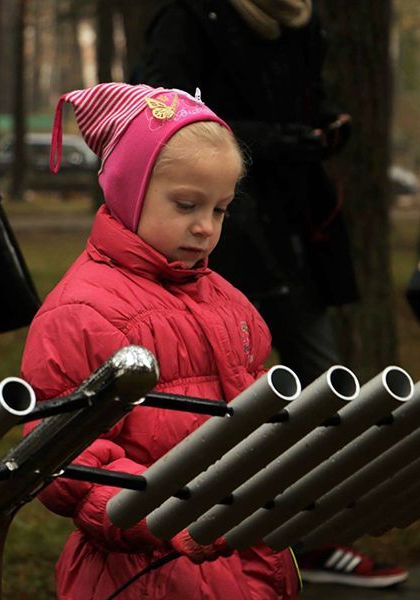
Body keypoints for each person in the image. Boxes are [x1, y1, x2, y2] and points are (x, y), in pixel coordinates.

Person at [135, 0, 408, 589]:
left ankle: (315, 538)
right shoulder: (191, 17)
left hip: (297, 232)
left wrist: (324, 127)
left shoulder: (302, 21)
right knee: (227, 399)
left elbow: (303, 99)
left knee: (328, 387)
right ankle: (216, 541)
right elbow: (167, 121)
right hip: (221, 241)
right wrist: (275, 141)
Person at [21, 82, 300, 599]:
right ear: (128, 189)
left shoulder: (226, 301)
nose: (204, 228)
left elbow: (255, 408)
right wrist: (162, 510)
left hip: (243, 555)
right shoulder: (82, 313)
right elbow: (68, 453)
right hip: (140, 573)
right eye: (187, 204)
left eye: (219, 209)